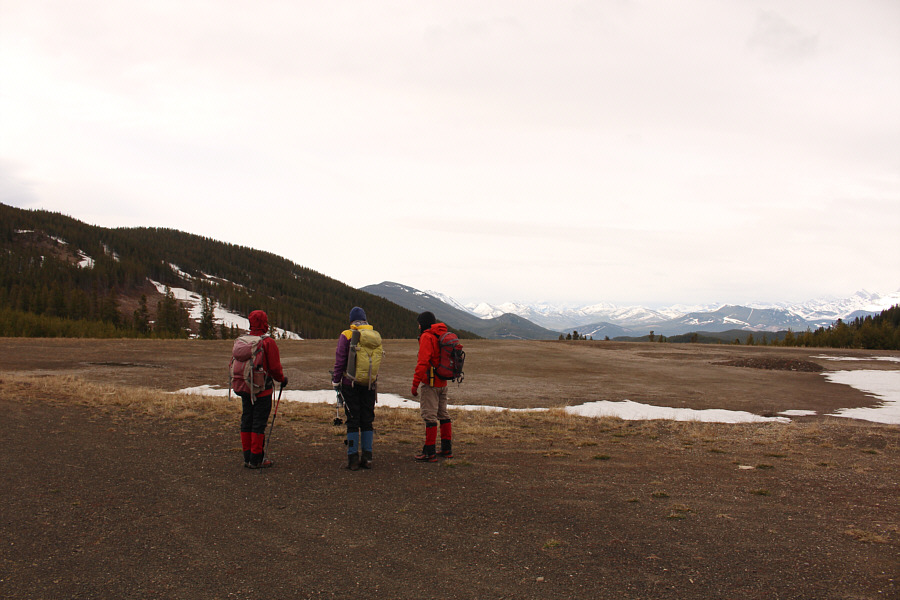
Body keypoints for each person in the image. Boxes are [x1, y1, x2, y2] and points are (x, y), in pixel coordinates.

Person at [238, 310, 287, 469]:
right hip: (262, 389)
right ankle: (256, 459)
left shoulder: (243, 341)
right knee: (258, 423)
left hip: (245, 387)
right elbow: (274, 368)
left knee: (247, 419)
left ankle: (247, 457)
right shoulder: (267, 342)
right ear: (264, 323)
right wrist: (282, 379)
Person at [332, 306, 378, 470]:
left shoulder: (347, 334)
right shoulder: (373, 335)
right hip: (370, 384)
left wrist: (336, 380)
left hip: (349, 383)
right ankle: (368, 457)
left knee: (353, 420)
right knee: (367, 419)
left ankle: (352, 458)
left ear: (351, 320)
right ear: (365, 319)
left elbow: (340, 359)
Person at [410, 311, 453, 462]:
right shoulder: (441, 334)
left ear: (423, 324)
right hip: (443, 382)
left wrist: (415, 384)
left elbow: (422, 363)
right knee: (443, 414)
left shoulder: (427, 337)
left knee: (430, 417)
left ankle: (429, 452)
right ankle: (447, 449)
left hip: (431, 383)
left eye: (419, 323)